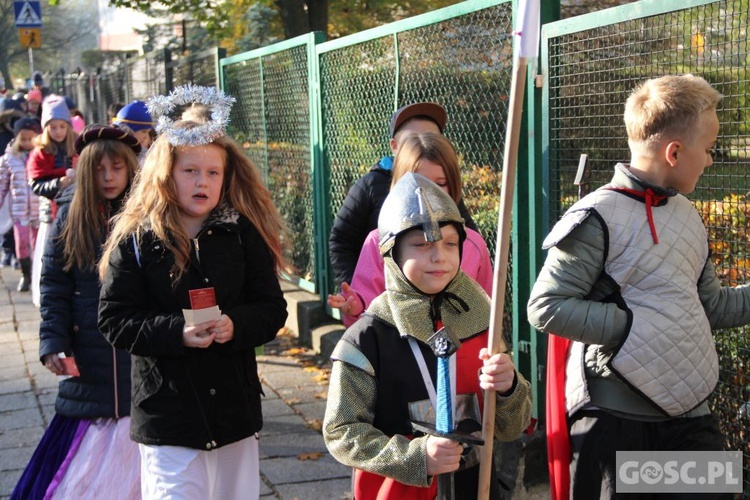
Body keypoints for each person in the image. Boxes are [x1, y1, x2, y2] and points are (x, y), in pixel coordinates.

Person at [527, 74, 750, 500]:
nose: (709, 161)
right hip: (615, 419)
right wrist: (631, 326)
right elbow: (546, 306)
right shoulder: (595, 216)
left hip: (690, 415)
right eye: (707, 149)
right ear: (674, 151)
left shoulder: (689, 216)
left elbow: (713, 308)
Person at [97, 85, 289, 499]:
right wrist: (175, 332)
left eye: (212, 173)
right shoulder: (137, 238)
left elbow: (272, 308)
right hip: (168, 415)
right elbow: (114, 319)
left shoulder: (241, 234)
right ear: (166, 174)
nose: (202, 181)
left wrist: (235, 324)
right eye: (191, 171)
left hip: (233, 413)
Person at [324, 172, 532, 499]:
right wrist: (416, 458)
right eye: (421, 245)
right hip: (401, 491)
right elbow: (342, 432)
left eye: (450, 244)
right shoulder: (367, 338)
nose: (439, 257)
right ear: (393, 253)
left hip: (475, 486)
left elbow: (509, 426)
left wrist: (509, 389)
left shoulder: (479, 319)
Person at [11, 124, 141, 500]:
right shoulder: (70, 216)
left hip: (137, 350)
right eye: (99, 169)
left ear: (131, 167)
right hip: (88, 351)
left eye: (117, 168)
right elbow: (53, 285)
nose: (108, 177)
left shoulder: (146, 215)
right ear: (85, 171)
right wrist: (54, 340)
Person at [329, 132, 493, 327]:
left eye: (440, 183)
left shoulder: (473, 243)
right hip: (397, 352)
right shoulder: (379, 241)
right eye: (418, 183)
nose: (429, 191)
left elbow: (487, 307)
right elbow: (367, 309)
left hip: (461, 354)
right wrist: (356, 308)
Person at [328, 102, 476, 288]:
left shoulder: (444, 193)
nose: (423, 145)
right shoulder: (370, 186)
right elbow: (342, 241)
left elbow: (470, 243)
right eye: (413, 139)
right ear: (395, 146)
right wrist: (355, 291)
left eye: (432, 137)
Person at [27, 95, 76, 307]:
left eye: (61, 126)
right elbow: (36, 183)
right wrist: (58, 183)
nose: (58, 131)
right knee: (51, 256)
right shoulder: (40, 153)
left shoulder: (76, 147)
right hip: (51, 213)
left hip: (75, 209)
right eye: (53, 127)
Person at [0, 117, 41, 291]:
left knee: (38, 244)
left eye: (30, 139)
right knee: (22, 243)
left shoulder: (41, 154)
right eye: (22, 139)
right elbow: (2, 184)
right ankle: (26, 274)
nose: (26, 143)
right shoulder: (9, 159)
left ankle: (38, 274)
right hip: (19, 209)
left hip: (38, 209)